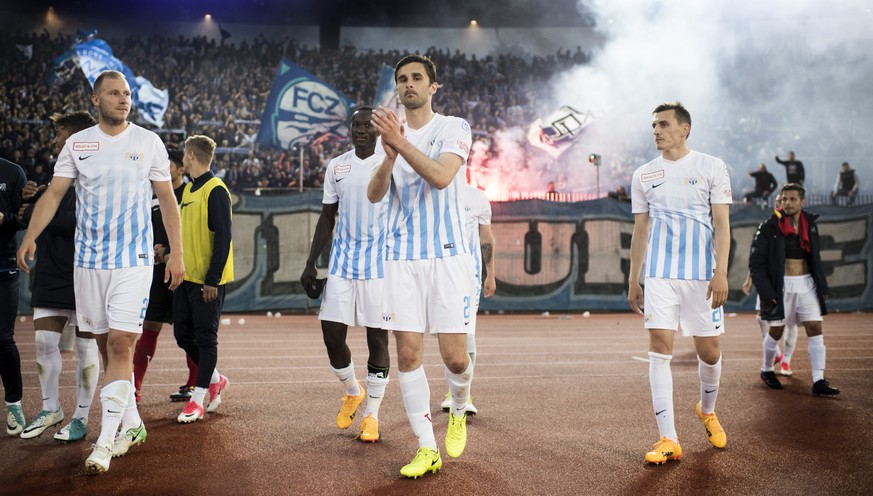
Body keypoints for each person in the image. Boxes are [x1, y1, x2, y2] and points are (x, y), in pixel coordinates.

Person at [17, 70, 185, 474]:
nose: (123, 99)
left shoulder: (149, 142)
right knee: (106, 345)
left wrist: (177, 253)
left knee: (122, 346)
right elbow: (54, 193)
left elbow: (166, 200)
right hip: (89, 263)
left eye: (126, 93)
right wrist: (30, 236)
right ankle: (133, 424)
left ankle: (105, 442)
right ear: (96, 100)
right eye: (114, 93)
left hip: (133, 262)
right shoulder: (78, 144)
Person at [367, 54, 474, 478]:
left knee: (455, 360)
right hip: (401, 258)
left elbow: (442, 177)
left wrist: (401, 143)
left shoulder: (453, 127)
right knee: (407, 354)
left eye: (416, 78)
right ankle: (426, 447)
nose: (408, 84)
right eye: (402, 79)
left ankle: (460, 407)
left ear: (433, 87)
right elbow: (376, 194)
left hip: (448, 256)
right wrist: (389, 156)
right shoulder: (389, 138)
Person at [628, 102, 732, 465]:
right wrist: (634, 278)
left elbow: (722, 223)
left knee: (711, 352)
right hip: (659, 275)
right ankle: (668, 438)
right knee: (660, 348)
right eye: (654, 124)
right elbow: (640, 230)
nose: (656, 130)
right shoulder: (644, 174)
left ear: (684, 129)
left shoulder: (711, 166)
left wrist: (720, 271)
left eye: (663, 124)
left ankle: (706, 410)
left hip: (702, 275)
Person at [299, 106, 391, 442]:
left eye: (367, 125)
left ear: (378, 129)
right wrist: (311, 262)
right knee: (331, 335)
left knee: (377, 339)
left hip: (381, 267)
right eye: (356, 125)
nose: (361, 130)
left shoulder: (390, 162)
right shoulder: (337, 165)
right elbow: (327, 217)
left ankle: (372, 415)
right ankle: (353, 391)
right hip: (341, 264)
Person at [17, 111, 101, 442]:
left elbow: (78, 222)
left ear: (78, 138)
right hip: (51, 270)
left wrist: (40, 207)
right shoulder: (57, 175)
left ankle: (80, 417)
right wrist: (31, 205)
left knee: (85, 350)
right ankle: (51, 407)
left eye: (60, 133)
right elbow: (38, 219)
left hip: (87, 272)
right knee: (42, 342)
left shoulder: (95, 174)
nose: (54, 140)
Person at [750, 183, 840, 396]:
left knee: (816, 328)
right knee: (777, 330)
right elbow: (756, 263)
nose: (787, 203)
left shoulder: (811, 224)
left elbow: (815, 258)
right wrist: (767, 292)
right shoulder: (769, 226)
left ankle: (818, 380)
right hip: (781, 285)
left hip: (807, 283)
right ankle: (767, 369)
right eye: (785, 199)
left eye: (792, 199)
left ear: (802, 201)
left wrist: (822, 285)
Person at [132, 147, 200, 404]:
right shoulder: (150, 196)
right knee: (149, 327)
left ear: (181, 169)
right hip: (154, 274)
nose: (163, 167)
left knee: (188, 331)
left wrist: (170, 252)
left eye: (168, 164)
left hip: (184, 272)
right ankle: (135, 386)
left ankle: (194, 385)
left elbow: (194, 235)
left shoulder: (191, 195)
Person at [173, 134, 232, 424]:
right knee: (182, 335)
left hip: (208, 282)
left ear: (191, 156)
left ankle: (197, 400)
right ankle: (216, 378)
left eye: (184, 154)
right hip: (186, 278)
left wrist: (213, 279)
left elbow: (224, 237)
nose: (183, 159)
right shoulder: (187, 192)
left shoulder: (216, 189)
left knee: (206, 338)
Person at [441, 184, 496, 415]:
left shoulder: (477, 197)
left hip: (467, 278)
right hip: (436, 274)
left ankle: (463, 394)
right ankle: (450, 391)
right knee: (440, 335)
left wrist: (490, 274)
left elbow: (486, 238)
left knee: (467, 334)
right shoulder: (435, 191)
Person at [741, 192, 799, 376]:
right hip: (770, 281)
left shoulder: (799, 226)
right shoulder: (768, 227)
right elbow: (758, 258)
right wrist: (750, 279)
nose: (781, 205)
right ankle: (776, 354)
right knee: (762, 318)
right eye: (778, 202)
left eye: (784, 201)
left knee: (790, 322)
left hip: (792, 283)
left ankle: (786, 361)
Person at [0, 156, 27, 436]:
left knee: (3, 338)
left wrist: (4, 218)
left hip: (3, 267)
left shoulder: (11, 171)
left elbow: (24, 216)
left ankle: (14, 404)